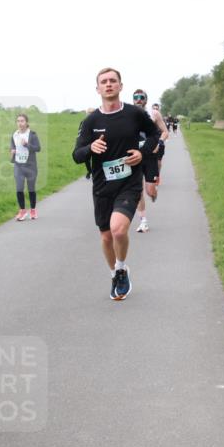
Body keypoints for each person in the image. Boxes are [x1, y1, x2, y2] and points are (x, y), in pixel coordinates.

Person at [72, 69, 161, 301]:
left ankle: (121, 267)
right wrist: (90, 148)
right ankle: (115, 274)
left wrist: (141, 153)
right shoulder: (91, 121)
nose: (109, 85)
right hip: (102, 186)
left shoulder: (134, 114)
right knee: (105, 237)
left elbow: (155, 134)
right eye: (104, 82)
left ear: (121, 86)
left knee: (118, 229)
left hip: (129, 182)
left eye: (113, 81)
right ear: (98, 89)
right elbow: (77, 155)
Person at [131, 93, 169, 232]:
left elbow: (165, 132)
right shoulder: (129, 114)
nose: (138, 100)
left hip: (150, 155)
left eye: (141, 97)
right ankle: (143, 221)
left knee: (150, 190)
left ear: (146, 100)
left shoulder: (154, 114)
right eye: (136, 97)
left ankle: (153, 194)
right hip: (135, 156)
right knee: (138, 190)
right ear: (132, 100)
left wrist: (159, 142)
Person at [10, 114, 41, 220]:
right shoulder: (14, 135)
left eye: (22, 121)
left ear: (26, 122)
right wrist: (12, 151)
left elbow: (38, 148)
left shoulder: (32, 134)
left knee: (31, 188)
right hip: (18, 165)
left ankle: (33, 210)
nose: (20, 123)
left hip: (30, 166)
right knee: (19, 188)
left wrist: (27, 144)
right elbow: (12, 146)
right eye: (18, 121)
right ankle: (22, 211)